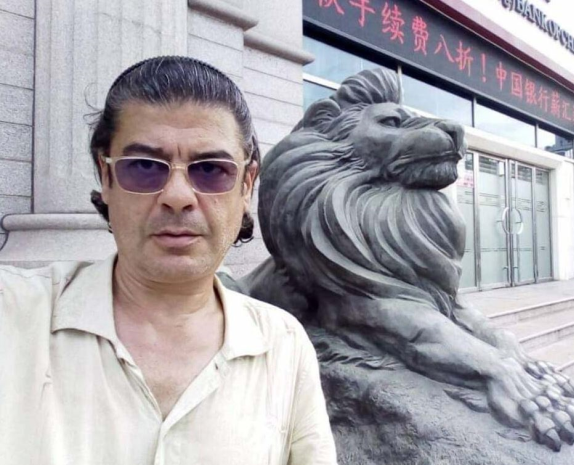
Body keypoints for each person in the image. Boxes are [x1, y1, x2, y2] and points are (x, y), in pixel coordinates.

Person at [0, 56, 337, 465]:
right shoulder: (15, 315)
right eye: (144, 167)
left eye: (210, 169)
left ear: (246, 185)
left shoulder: (283, 344)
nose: (178, 196)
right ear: (106, 177)